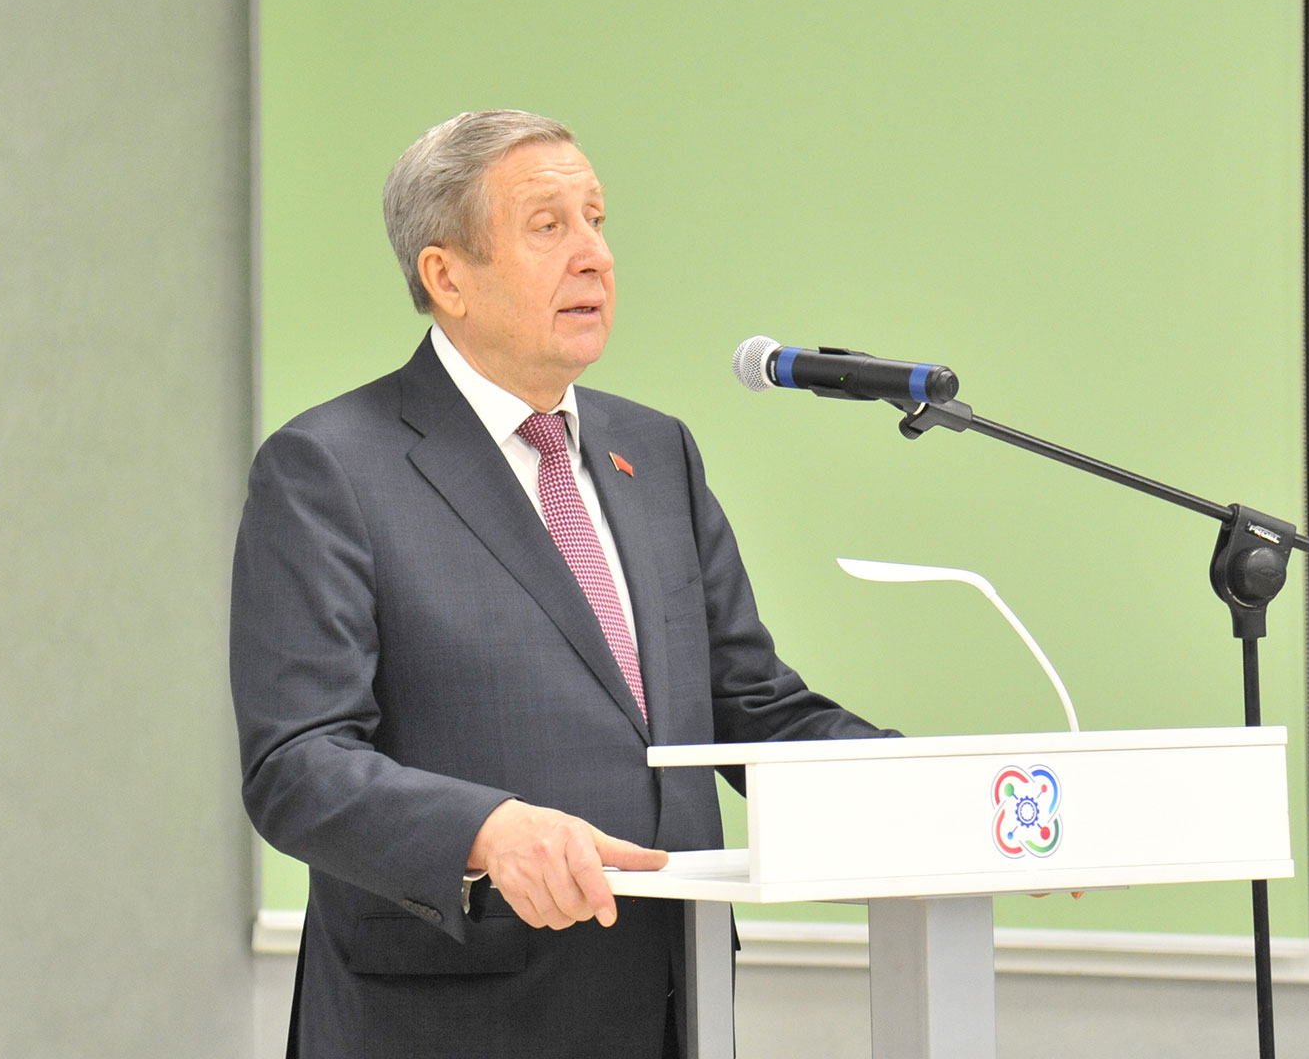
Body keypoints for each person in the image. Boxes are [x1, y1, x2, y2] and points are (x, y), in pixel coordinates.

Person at [229, 110, 891, 1058]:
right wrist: (485, 829)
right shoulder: (332, 467)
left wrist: (943, 801)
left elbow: (750, 707)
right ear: (446, 276)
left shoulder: (654, 451)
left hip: (672, 1006)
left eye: (598, 220)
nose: (596, 257)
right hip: (452, 1022)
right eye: (549, 226)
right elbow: (297, 764)